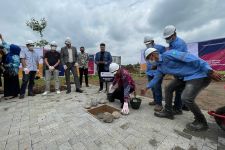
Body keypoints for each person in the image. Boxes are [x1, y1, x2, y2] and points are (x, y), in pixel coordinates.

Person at [144, 48, 222, 131]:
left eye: (148, 59)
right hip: (184, 77)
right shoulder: (160, 67)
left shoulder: (169, 54)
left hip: (198, 75)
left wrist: (209, 71)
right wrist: (146, 87)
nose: (149, 61)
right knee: (168, 88)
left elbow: (191, 58)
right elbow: (156, 79)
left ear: (152, 55)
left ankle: (201, 122)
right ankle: (168, 112)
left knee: (186, 98)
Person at [163, 25, 189, 114]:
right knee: (180, 90)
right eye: (166, 38)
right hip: (179, 72)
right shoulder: (172, 43)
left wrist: (165, 67)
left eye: (168, 37)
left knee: (170, 89)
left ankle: (172, 110)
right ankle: (180, 107)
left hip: (182, 72)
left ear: (174, 34)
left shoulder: (179, 44)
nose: (167, 39)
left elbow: (175, 59)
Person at [143, 36, 166, 111]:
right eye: (145, 43)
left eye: (148, 43)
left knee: (157, 87)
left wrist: (158, 66)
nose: (147, 45)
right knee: (153, 88)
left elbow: (164, 57)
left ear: (152, 41)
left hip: (158, 71)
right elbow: (147, 60)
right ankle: (155, 100)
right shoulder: (145, 51)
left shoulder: (160, 48)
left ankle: (159, 104)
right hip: (149, 72)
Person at [0, 34, 20, 99]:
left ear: (13, 49)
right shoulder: (10, 53)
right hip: (8, 71)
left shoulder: (15, 56)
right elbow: (5, 45)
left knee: (12, 83)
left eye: (10, 48)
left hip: (13, 72)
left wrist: (7, 65)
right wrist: (1, 38)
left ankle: (13, 94)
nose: (9, 48)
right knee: (7, 82)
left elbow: (16, 65)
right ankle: (7, 94)